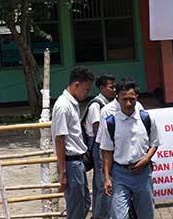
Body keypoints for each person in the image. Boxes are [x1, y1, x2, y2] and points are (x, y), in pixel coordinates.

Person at [98, 79, 159, 219]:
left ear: (137, 98)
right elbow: (107, 152)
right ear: (117, 98)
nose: (128, 103)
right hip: (120, 174)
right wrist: (107, 178)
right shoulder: (110, 122)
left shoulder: (147, 118)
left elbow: (154, 143)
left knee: (146, 214)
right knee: (119, 216)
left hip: (143, 174)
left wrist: (146, 159)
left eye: (132, 99)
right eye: (124, 99)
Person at [52, 65, 95, 219]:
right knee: (76, 208)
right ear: (77, 84)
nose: (87, 93)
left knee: (84, 202)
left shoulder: (72, 103)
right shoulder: (63, 106)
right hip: (70, 163)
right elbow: (59, 139)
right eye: (86, 89)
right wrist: (63, 172)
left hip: (77, 162)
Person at [85, 74, 117, 219]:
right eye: (111, 87)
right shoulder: (96, 105)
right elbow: (98, 130)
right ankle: (100, 216)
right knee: (103, 183)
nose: (114, 89)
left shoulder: (106, 103)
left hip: (104, 146)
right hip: (99, 146)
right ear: (102, 87)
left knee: (100, 183)